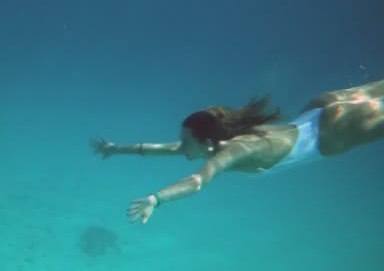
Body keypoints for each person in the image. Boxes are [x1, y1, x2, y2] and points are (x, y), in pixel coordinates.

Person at [91, 79, 384, 224]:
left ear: (207, 144)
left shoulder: (231, 151)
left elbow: (197, 181)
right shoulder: (218, 141)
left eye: (186, 142)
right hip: (319, 110)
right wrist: (115, 149)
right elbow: (158, 149)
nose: (180, 146)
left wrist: (156, 199)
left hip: (336, 132)